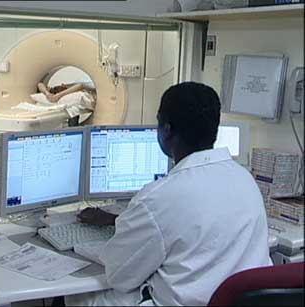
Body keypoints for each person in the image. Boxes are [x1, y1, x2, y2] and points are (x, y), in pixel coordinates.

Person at [65, 82, 272, 306]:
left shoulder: (158, 197)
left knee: (76, 297)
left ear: (166, 129)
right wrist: (120, 221)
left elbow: (119, 276)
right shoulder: (244, 178)